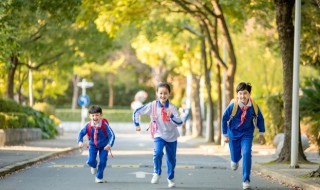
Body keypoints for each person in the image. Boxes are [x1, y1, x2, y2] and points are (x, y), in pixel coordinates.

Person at [132, 82, 183, 188]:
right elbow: (137, 112)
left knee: (171, 159)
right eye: (160, 93)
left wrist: (172, 116)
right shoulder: (152, 105)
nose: (163, 96)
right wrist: (137, 124)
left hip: (171, 136)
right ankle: (156, 172)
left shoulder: (172, 108)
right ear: (157, 93)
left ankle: (170, 178)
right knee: (157, 153)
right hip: (158, 134)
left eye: (165, 93)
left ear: (169, 94)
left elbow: (180, 122)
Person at [221, 82, 266, 190]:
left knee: (246, 153)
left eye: (245, 93)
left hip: (247, 133)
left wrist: (261, 134)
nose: (242, 96)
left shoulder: (254, 106)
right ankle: (235, 160)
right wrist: (225, 135)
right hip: (233, 133)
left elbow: (260, 119)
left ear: (249, 94)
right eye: (240, 93)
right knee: (235, 157)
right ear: (237, 94)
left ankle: (246, 180)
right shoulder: (233, 106)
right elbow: (224, 118)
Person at [78, 105, 115, 183]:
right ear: (90, 116)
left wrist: (109, 145)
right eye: (93, 115)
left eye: (97, 115)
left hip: (104, 146)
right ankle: (94, 166)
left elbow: (112, 135)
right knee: (90, 161)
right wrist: (80, 141)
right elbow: (81, 133)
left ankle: (99, 177)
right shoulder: (88, 125)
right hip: (92, 145)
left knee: (103, 161)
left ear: (101, 115)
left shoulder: (104, 125)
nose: (95, 117)